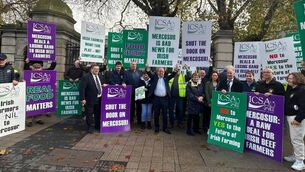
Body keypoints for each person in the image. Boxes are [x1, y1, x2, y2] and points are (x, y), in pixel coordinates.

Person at [284, 72, 305, 171]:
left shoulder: (302, 89)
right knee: (292, 138)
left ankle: (300, 161)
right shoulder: (290, 88)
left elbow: (304, 106)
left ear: (297, 79)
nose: (288, 80)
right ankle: (294, 155)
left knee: (297, 139)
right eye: (288, 78)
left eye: (291, 78)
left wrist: (298, 119)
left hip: (296, 118)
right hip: (289, 116)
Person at [148, 67, 177, 134]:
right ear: (157, 72)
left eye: (162, 71)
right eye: (160, 71)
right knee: (156, 114)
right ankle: (157, 128)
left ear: (164, 72)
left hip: (164, 99)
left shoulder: (166, 78)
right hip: (156, 99)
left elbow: (173, 75)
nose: (161, 72)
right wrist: (147, 68)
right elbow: (149, 73)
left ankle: (165, 128)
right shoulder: (154, 78)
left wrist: (175, 70)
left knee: (164, 114)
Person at [80, 64, 107, 133]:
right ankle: (90, 127)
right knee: (89, 113)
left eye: (98, 69)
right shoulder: (86, 77)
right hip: (89, 99)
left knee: (98, 113)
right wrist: (83, 98)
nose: (97, 70)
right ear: (91, 69)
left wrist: (104, 85)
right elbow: (82, 88)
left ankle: (97, 126)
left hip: (99, 98)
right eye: (95, 69)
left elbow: (102, 84)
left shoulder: (100, 76)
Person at [124, 61, 142, 125]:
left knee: (139, 107)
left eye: (134, 64)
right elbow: (124, 81)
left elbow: (143, 81)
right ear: (130, 65)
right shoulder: (126, 72)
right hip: (130, 91)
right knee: (131, 107)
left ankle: (139, 120)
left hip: (139, 91)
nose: (133, 65)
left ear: (136, 65)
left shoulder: (140, 72)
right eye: (132, 64)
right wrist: (123, 83)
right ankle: (131, 120)